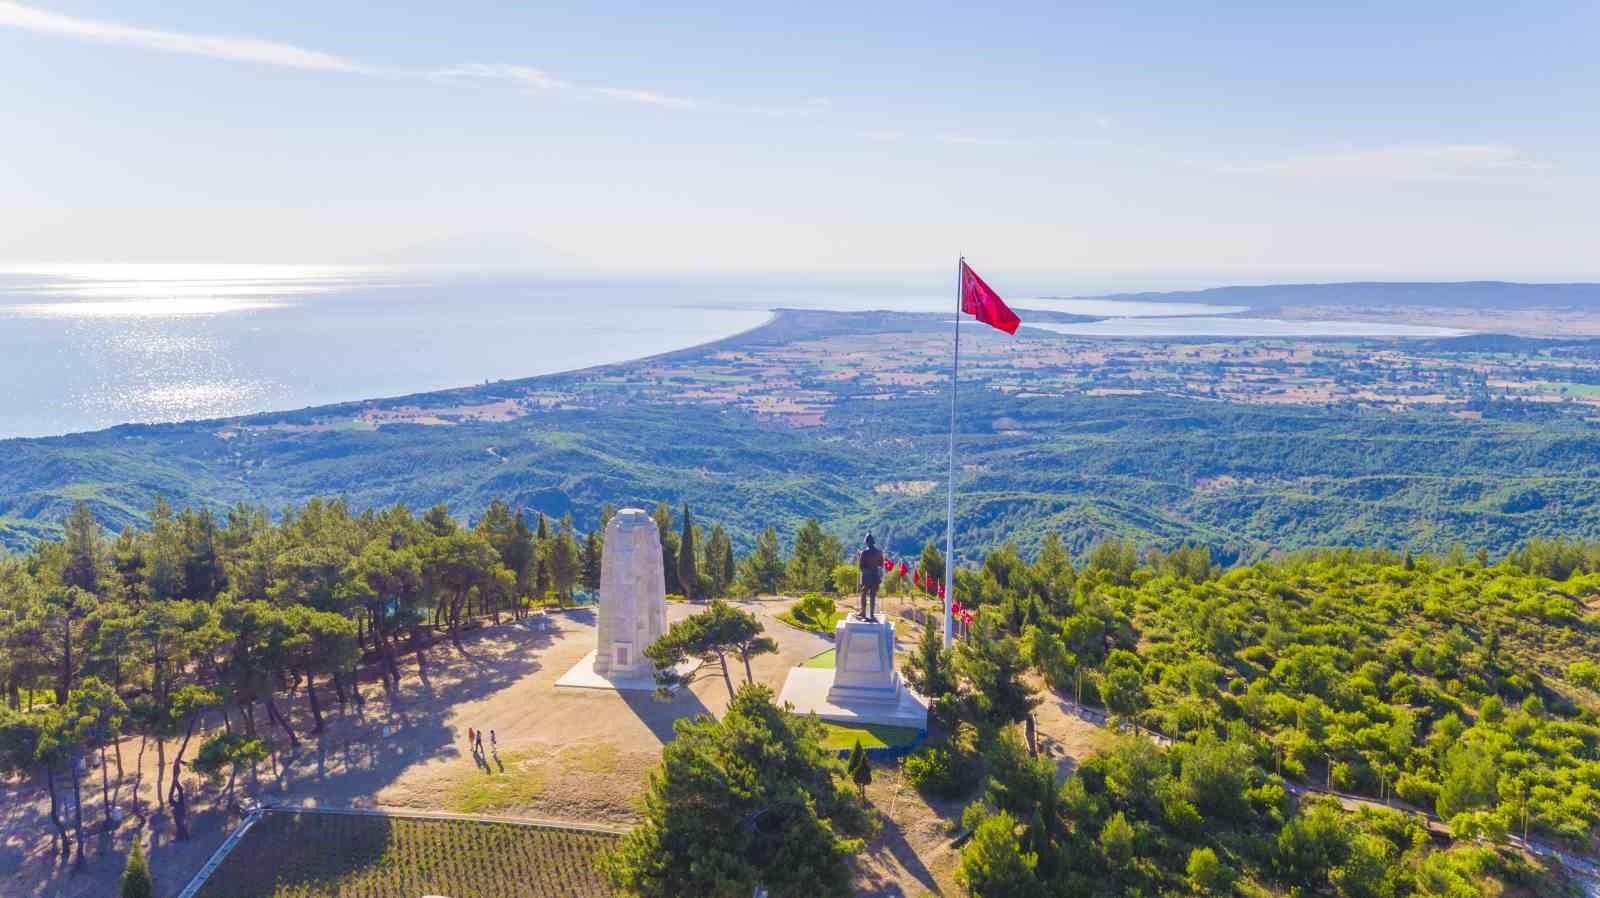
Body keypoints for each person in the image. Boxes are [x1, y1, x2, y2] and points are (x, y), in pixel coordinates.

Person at [857, 533, 884, 620]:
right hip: (875, 576)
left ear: (867, 542)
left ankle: (863, 613)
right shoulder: (879, 552)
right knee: (873, 596)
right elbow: (881, 564)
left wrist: (860, 556)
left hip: (866, 577)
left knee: (863, 594)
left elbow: (861, 566)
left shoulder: (864, 553)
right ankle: (872, 615)